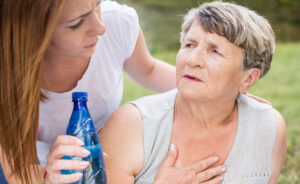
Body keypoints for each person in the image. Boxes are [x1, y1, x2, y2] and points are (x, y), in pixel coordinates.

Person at [0, 0, 228, 183]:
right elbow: (17, 171)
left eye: (97, 4)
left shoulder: (117, 22)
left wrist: (217, 91)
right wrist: (50, 176)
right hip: (46, 166)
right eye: (77, 23)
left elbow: (148, 70)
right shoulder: (7, 76)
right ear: (34, 32)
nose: (100, 27)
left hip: (109, 155)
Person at [99, 1, 287, 184]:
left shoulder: (269, 127)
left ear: (248, 79)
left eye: (214, 51)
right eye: (189, 45)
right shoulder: (130, 126)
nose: (193, 60)